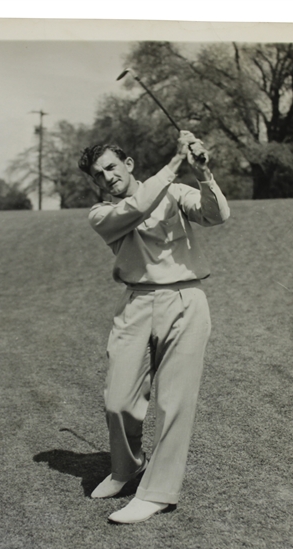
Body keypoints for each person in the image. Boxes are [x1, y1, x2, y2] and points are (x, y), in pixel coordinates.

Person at [78, 131, 230, 523]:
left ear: (128, 165)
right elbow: (137, 208)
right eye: (99, 175)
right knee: (118, 399)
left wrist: (203, 173)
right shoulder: (102, 214)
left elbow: (217, 215)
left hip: (184, 299)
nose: (106, 177)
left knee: (173, 401)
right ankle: (127, 468)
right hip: (136, 303)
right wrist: (175, 162)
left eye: (111, 167)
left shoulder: (177, 191)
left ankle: (158, 492)